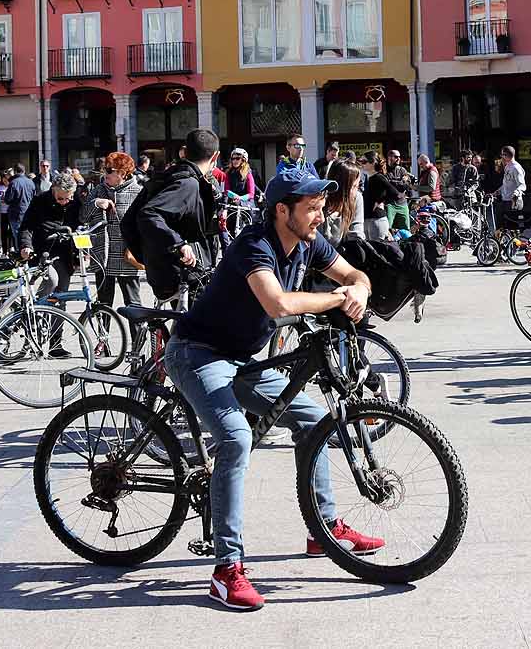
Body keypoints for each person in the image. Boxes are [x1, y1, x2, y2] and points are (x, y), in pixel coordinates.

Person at [164, 167, 383, 611]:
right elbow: (278, 303)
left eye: (321, 207)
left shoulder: (309, 240)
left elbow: (355, 274)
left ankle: (323, 528)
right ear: (283, 210)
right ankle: (226, 570)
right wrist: (338, 299)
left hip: (243, 360)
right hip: (197, 353)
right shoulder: (255, 245)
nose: (320, 217)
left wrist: (358, 288)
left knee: (315, 422)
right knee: (236, 438)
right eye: (312, 208)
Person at [130, 128, 223, 303]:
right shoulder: (187, 184)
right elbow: (148, 214)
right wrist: (179, 244)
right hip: (182, 274)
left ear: (185, 153)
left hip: (170, 269)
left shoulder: (170, 177)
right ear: (215, 157)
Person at [18, 172, 92, 304]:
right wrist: (26, 246)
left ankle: (57, 324)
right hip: (44, 251)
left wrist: (84, 250)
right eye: (60, 199)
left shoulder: (76, 203)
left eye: (67, 199)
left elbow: (81, 227)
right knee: (52, 280)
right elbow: (26, 226)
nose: (64, 202)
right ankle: (35, 310)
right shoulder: (40, 201)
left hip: (65, 252)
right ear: (53, 189)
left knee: (62, 292)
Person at [88, 152, 145, 320]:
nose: (105, 174)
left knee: (133, 305)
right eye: (105, 170)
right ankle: (103, 344)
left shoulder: (138, 192)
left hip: (126, 256)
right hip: (103, 255)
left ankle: (137, 344)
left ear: (122, 172)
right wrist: (96, 203)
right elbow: (82, 215)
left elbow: (145, 224)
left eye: (109, 170)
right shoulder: (99, 190)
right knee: (103, 306)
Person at [359, 153, 400, 240]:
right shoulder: (367, 178)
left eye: (364, 161)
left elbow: (395, 193)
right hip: (367, 219)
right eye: (360, 161)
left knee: (378, 250)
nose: (361, 164)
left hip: (376, 219)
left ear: (373, 163)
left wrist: (379, 201)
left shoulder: (379, 177)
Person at [322, 159, 365, 242]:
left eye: (358, 186)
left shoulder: (357, 198)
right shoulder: (320, 203)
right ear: (342, 187)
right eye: (354, 186)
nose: (357, 190)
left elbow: (357, 232)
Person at [3, 167, 36, 256]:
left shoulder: (14, 182)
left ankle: (21, 258)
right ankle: (28, 257)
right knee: (28, 236)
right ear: (24, 171)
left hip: (16, 213)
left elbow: (8, 199)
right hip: (29, 213)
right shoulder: (30, 182)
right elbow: (34, 197)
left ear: (15, 171)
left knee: (18, 237)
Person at [496, 145, 526, 232]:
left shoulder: (516, 168)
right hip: (505, 200)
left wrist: (516, 193)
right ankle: (501, 244)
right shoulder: (507, 167)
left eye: (502, 155)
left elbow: (522, 185)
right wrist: (497, 191)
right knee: (501, 227)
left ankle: (514, 245)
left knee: (512, 229)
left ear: (507, 155)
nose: (501, 157)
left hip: (513, 202)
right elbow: (507, 184)